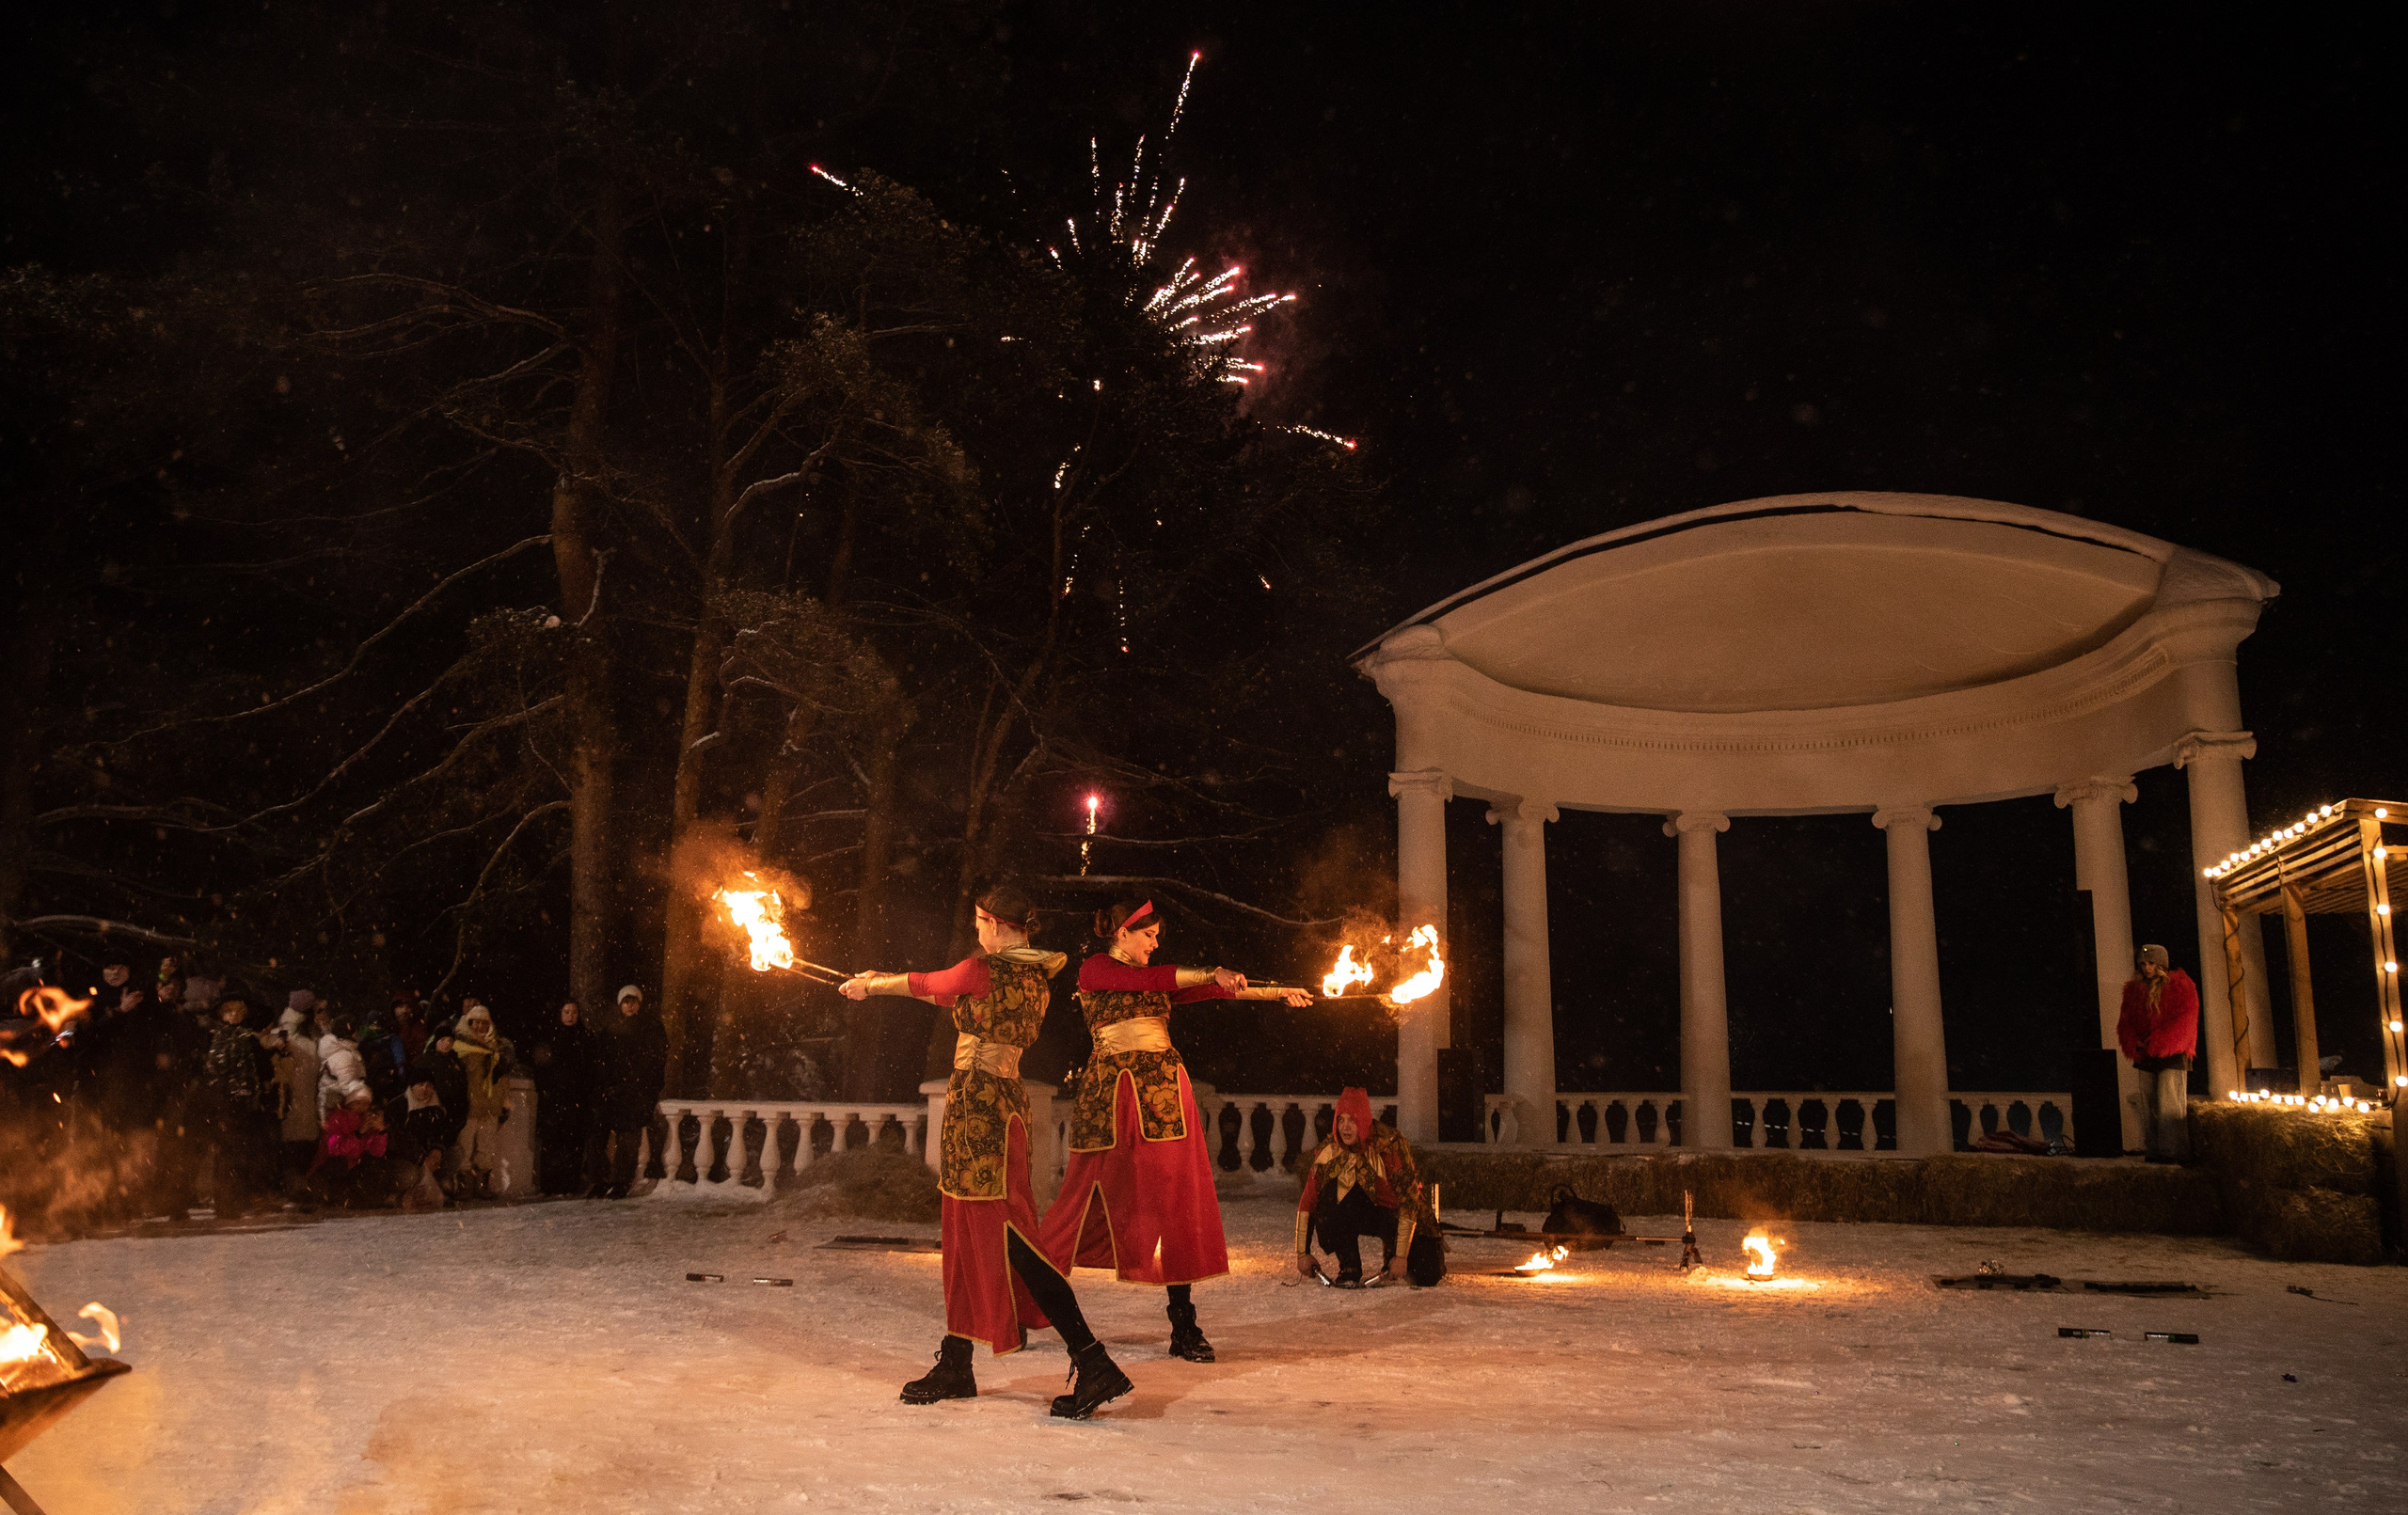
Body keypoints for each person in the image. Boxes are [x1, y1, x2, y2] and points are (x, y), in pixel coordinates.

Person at [842, 885, 1132, 1418]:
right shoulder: (1031, 975)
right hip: (1004, 1104)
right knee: (972, 1232)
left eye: (980, 921)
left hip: (979, 1106)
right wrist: (878, 985)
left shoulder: (984, 969)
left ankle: (1092, 1360)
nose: (976, 930)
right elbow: (949, 995)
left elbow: (931, 982)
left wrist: (871, 984)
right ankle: (957, 1360)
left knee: (1006, 1238)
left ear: (998, 924)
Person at [1037, 899, 1310, 1365]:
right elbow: (1151, 980)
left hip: (1164, 1099)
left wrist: (1276, 992)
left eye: (1157, 935)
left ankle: (1184, 1324)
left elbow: (1208, 991)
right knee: (1079, 1199)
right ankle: (1026, 1294)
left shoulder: (1157, 977)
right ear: (1122, 933)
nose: (1155, 942)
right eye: (1148, 935)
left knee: (1175, 1200)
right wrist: (1212, 970)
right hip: (1113, 1100)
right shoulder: (1097, 968)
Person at [1295, 1087, 1443, 1286]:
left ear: (1363, 1120)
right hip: (1366, 1212)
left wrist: (1400, 1255)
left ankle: (1394, 1252)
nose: (1345, 1127)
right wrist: (1302, 1253)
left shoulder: (1390, 1145)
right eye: (1341, 1119)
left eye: (1352, 1120)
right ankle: (1349, 1265)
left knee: (1426, 1275)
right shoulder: (1328, 1151)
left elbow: (1409, 1200)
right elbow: (1308, 1200)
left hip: (1396, 1215)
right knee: (1330, 1195)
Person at [198, 990, 278, 1219]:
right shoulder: (217, 1038)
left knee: (245, 1153)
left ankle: (241, 1199)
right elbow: (212, 1070)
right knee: (227, 1155)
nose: (233, 1015)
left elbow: (264, 1068)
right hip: (225, 1105)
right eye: (229, 1011)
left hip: (248, 1105)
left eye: (238, 1010)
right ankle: (226, 1202)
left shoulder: (249, 1038)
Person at [2117, 943, 2200, 1163]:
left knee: (2169, 1104)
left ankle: (2172, 1153)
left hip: (2171, 1055)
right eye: (2143, 964)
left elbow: (2187, 1020)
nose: (2147, 968)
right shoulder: (2135, 990)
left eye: (2151, 963)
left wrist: (2162, 1041)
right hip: (2147, 1056)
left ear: (2161, 964)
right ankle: (2155, 1150)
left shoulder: (2181, 986)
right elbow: (2126, 1022)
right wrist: (2135, 1042)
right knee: (2149, 1104)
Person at [594, 985, 666, 1199]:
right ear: (620, 1004)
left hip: (635, 1093)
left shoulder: (651, 1028)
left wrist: (638, 1086)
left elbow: (653, 1062)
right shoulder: (610, 1030)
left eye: (633, 1001)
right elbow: (601, 1060)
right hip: (612, 1092)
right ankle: (601, 1180)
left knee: (628, 1140)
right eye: (626, 1002)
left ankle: (620, 1183)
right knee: (597, 1138)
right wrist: (608, 1085)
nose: (630, 1005)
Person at [528, 1001, 597, 1195]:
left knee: (573, 1143)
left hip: (576, 1101)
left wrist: (584, 1093)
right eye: (566, 1012)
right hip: (553, 1101)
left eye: (574, 1012)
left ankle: (569, 1185)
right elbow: (539, 1069)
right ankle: (549, 1185)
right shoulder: (550, 1037)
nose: (570, 1016)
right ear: (560, 1013)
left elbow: (591, 1070)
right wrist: (546, 1090)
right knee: (552, 1143)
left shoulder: (585, 1038)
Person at [448, 1003, 516, 1196]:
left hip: (490, 1105)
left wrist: (504, 1102)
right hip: (470, 1105)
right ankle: (463, 1186)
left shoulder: (497, 1048)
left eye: (484, 1023)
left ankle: (481, 1185)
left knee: (487, 1148)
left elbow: (502, 1079)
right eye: (476, 1022)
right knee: (465, 1146)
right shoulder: (459, 1046)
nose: (479, 1026)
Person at [271, 1003, 324, 1179]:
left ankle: (290, 1183)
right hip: (304, 1104)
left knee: (289, 1146)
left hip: (286, 1103)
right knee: (302, 1148)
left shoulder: (275, 1037)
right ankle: (299, 1183)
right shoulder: (312, 1042)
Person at [316, 1012, 366, 1119]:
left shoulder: (344, 1050)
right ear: (346, 1032)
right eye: (354, 1030)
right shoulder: (344, 1056)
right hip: (339, 1113)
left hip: (333, 1108)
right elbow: (347, 1089)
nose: (357, 1033)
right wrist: (364, 1095)